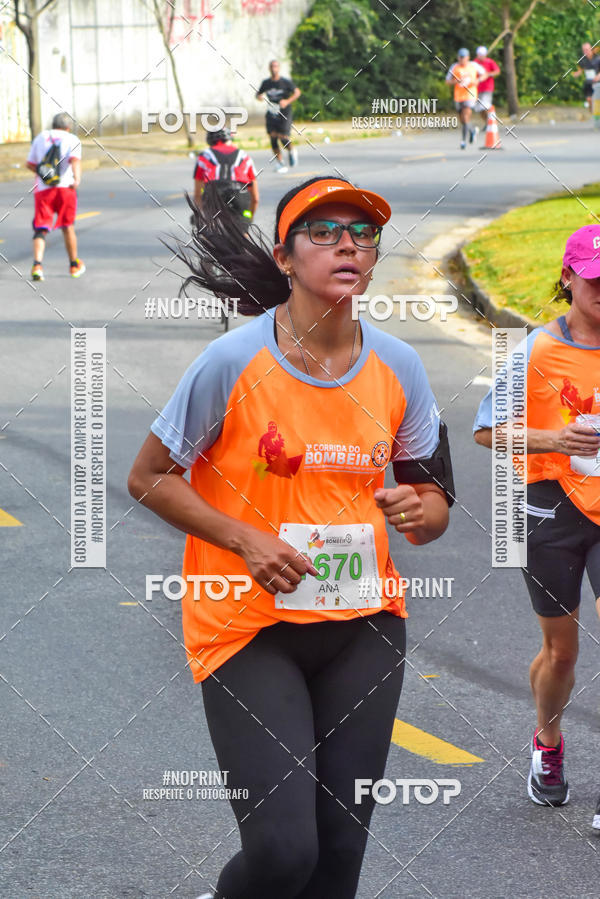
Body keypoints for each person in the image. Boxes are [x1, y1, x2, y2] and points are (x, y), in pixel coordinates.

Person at [128, 175, 454, 898]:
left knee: (338, 858)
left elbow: (435, 502)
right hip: (248, 626)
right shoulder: (232, 362)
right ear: (284, 257)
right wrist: (245, 539)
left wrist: (419, 511)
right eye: (324, 231)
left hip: (364, 626)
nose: (348, 243)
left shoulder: (399, 365)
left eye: (362, 233)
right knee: (282, 854)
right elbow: (149, 475)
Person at [473, 224, 600, 815]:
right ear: (568, 278)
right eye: (595, 279)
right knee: (562, 653)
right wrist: (555, 437)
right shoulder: (532, 352)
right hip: (548, 508)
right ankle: (547, 743)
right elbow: (484, 431)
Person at [26, 111, 85, 281]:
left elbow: (30, 164)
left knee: (40, 227)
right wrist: (77, 179)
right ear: (68, 127)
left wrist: (44, 174)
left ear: (53, 125)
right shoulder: (72, 139)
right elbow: (75, 161)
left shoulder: (40, 138)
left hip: (43, 190)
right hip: (66, 189)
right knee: (68, 226)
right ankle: (74, 265)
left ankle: (37, 265)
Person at [193, 127, 259, 233]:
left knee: (211, 234)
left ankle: (211, 239)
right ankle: (244, 238)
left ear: (210, 141)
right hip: (239, 194)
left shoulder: (204, 156)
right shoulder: (245, 156)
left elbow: (197, 194)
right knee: (243, 234)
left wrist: (202, 217)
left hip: (213, 194)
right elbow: (255, 198)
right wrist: (248, 219)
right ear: (230, 139)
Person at [256, 59, 301, 173]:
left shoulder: (285, 82)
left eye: (276, 66)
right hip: (272, 112)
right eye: (272, 66)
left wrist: (287, 101)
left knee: (283, 137)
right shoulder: (266, 83)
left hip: (284, 112)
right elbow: (258, 94)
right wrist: (259, 97)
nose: (273, 68)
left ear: (279, 68)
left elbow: (297, 92)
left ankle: (291, 150)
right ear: (269, 68)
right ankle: (280, 163)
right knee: (273, 137)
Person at [445, 48, 486, 149]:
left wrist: (478, 80)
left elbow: (485, 74)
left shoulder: (473, 66)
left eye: (463, 57)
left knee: (466, 116)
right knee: (462, 120)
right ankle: (472, 130)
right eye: (460, 57)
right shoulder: (455, 67)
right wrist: (456, 81)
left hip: (470, 95)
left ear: (468, 57)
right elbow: (447, 81)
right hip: (458, 96)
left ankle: (463, 141)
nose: (461, 59)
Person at [474, 46, 501, 125]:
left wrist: (489, 74)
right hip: (477, 88)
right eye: (479, 54)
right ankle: (487, 123)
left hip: (487, 87)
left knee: (485, 106)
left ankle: (491, 121)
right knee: (479, 108)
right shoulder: (474, 63)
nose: (481, 56)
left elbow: (497, 71)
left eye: (482, 55)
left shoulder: (490, 62)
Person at [571, 42, 600, 111]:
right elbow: (581, 70)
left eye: (587, 49)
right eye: (584, 50)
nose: (585, 51)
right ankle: (592, 111)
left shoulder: (598, 58)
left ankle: (596, 113)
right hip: (589, 82)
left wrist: (599, 76)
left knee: (597, 99)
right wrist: (576, 74)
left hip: (598, 83)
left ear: (591, 49)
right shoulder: (583, 60)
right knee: (589, 99)